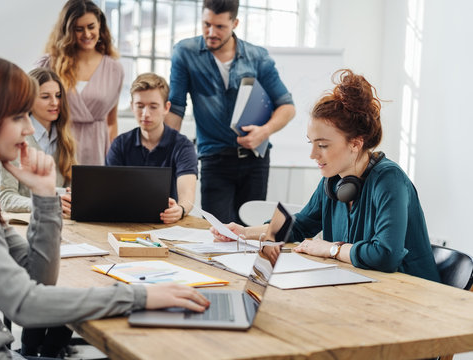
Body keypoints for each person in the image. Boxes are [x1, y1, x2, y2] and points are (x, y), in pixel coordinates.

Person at [0, 51, 209, 359]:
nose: (28, 129)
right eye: (18, 116)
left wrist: (44, 196)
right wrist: (139, 295)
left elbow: (39, 279)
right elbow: (25, 305)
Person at [212, 69, 441, 282]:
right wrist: (244, 233)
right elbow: (299, 226)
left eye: (322, 145)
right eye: (311, 143)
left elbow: (385, 255)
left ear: (355, 143)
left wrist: (332, 249)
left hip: (411, 297)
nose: (313, 154)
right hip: (362, 288)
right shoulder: (333, 180)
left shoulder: (389, 181)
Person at [165, 0, 296, 224]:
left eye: (220, 27)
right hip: (213, 158)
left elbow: (287, 106)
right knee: (217, 233)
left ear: (235, 23)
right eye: (206, 24)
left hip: (255, 160)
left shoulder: (257, 57)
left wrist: (264, 131)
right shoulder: (185, 53)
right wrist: (166, 156)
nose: (211, 32)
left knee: (252, 232)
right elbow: (176, 107)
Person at [38, 0, 123, 165]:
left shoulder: (114, 70)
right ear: (68, 31)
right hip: (58, 145)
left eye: (91, 26)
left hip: (96, 150)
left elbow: (111, 122)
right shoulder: (49, 64)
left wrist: (114, 163)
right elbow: (34, 111)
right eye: (79, 29)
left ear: (100, 26)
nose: (87, 34)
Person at [106, 73, 197, 224]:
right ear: (132, 106)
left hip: (168, 223)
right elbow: (109, 191)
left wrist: (180, 209)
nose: (145, 114)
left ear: (166, 108)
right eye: (140, 106)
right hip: (125, 222)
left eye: (153, 107)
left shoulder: (183, 146)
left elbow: (187, 192)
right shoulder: (119, 144)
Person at [0, 68, 75, 219]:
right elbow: (5, 197)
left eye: (58, 96)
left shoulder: (65, 140)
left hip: (59, 223)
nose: (55, 102)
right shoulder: (14, 139)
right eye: (45, 97)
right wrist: (47, 203)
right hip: (23, 223)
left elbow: (65, 190)